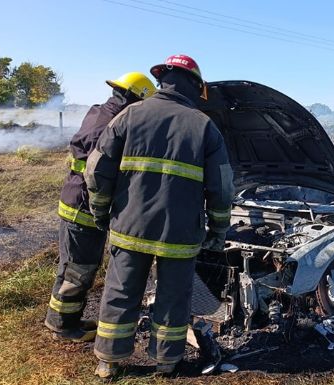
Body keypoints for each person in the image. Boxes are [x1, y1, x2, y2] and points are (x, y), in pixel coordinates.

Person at [85, 54, 234, 378]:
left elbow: (96, 171)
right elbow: (221, 188)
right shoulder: (203, 126)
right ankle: (167, 362)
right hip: (178, 234)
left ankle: (108, 363)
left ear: (161, 80)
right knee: (174, 297)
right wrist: (218, 229)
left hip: (129, 226)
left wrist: (101, 211)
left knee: (120, 292)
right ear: (196, 87)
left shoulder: (129, 115)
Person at [44, 72, 156, 342]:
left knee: (78, 265)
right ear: (137, 98)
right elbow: (101, 170)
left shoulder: (99, 111)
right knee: (77, 269)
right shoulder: (115, 122)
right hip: (83, 206)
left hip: (77, 199)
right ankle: (62, 326)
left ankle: (66, 318)